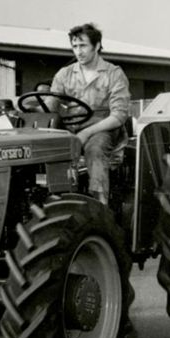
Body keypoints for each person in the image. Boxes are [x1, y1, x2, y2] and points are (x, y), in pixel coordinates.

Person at [49, 24, 131, 206]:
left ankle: (100, 206)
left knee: (94, 150)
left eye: (83, 46)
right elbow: (50, 105)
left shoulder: (113, 74)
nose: (78, 51)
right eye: (75, 46)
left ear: (97, 45)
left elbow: (118, 116)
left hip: (104, 128)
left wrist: (86, 133)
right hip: (71, 128)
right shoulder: (64, 74)